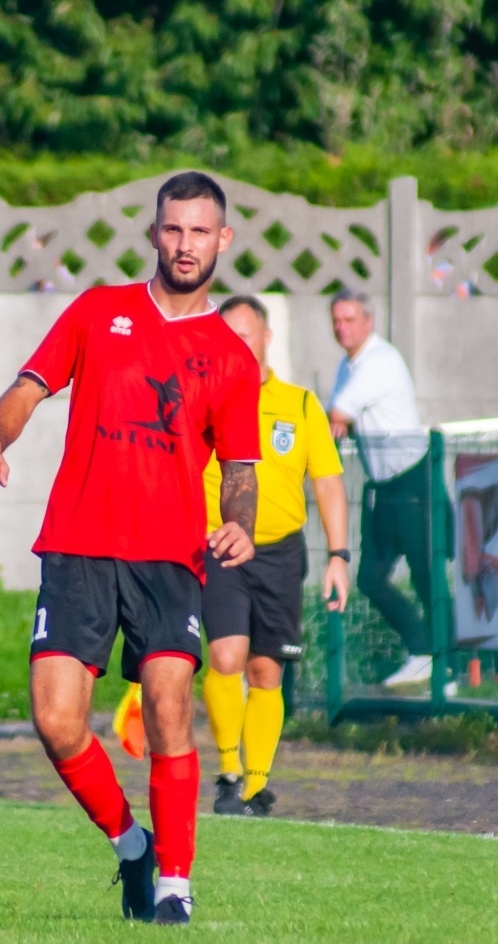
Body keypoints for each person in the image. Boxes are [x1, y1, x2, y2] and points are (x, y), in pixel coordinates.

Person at [0, 172, 262, 927]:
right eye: (173, 228)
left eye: (200, 231)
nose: (185, 244)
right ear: (154, 233)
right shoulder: (99, 312)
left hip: (169, 558)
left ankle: (174, 887)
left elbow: (241, 468)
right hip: (78, 546)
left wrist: (240, 522)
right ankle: (133, 848)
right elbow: (29, 387)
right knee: (56, 718)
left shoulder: (231, 356)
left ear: (223, 239)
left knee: (168, 704)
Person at [200, 296, 350, 815]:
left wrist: (338, 555)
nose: (237, 345)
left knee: (266, 671)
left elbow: (327, 482)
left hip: (281, 553)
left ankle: (256, 785)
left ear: (266, 338)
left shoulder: (300, 405)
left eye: (246, 335)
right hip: (220, 546)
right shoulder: (201, 400)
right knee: (226, 657)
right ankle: (228, 774)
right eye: (227, 337)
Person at [326, 289, 436, 690]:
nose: (342, 328)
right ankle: (423, 651)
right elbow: (338, 420)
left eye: (350, 319)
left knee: (427, 576)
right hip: (383, 486)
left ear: (369, 322)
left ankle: (446, 665)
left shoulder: (380, 360)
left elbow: (339, 413)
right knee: (370, 579)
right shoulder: (348, 365)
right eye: (337, 321)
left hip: (412, 478)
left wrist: (337, 421)